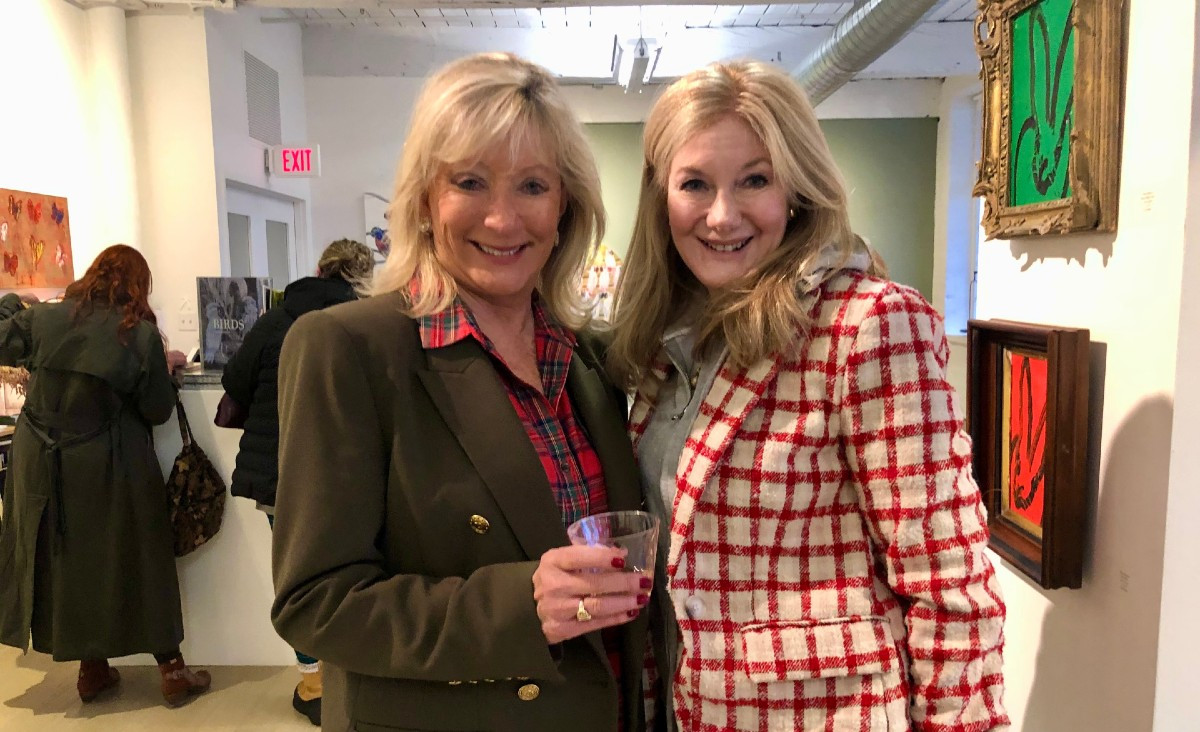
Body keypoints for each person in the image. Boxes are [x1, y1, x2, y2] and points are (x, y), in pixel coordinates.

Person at [607, 62, 1008, 731]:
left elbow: (948, 581)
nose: (722, 215)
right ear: (661, 197)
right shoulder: (664, 342)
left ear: (796, 187)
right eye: (695, 184)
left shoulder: (868, 324)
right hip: (682, 706)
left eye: (754, 180)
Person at [270, 53, 651, 732]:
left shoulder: (587, 357)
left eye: (532, 185)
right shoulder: (349, 349)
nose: (503, 220)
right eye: (470, 182)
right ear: (424, 200)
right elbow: (315, 602)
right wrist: (515, 606)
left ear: (565, 205)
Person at [0, 244, 212, 706]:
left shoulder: (44, 320)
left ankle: (91, 670)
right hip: (110, 461)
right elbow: (156, 410)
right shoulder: (136, 335)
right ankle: (171, 670)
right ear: (138, 286)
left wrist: (10, 301)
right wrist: (167, 369)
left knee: (66, 559)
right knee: (139, 556)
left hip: (42, 461)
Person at [220, 237, 374, 726]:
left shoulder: (275, 319)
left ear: (320, 268)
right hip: (349, 476)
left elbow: (236, 383)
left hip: (279, 477)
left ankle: (315, 683)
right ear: (363, 275)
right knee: (357, 573)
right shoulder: (370, 322)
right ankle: (359, 679)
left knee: (297, 581)